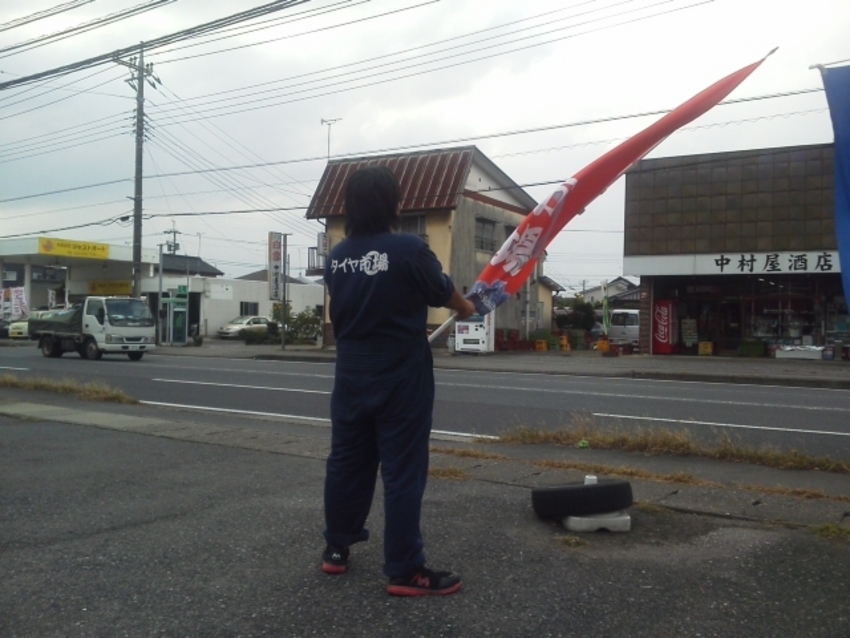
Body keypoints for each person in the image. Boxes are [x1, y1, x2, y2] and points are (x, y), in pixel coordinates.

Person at [321, 165, 475, 597]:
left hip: (351, 372)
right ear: (394, 204)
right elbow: (442, 291)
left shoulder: (338, 256)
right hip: (401, 374)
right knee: (402, 470)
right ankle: (406, 570)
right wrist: (466, 307)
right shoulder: (409, 248)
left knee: (347, 462)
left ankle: (336, 548)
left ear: (350, 207)